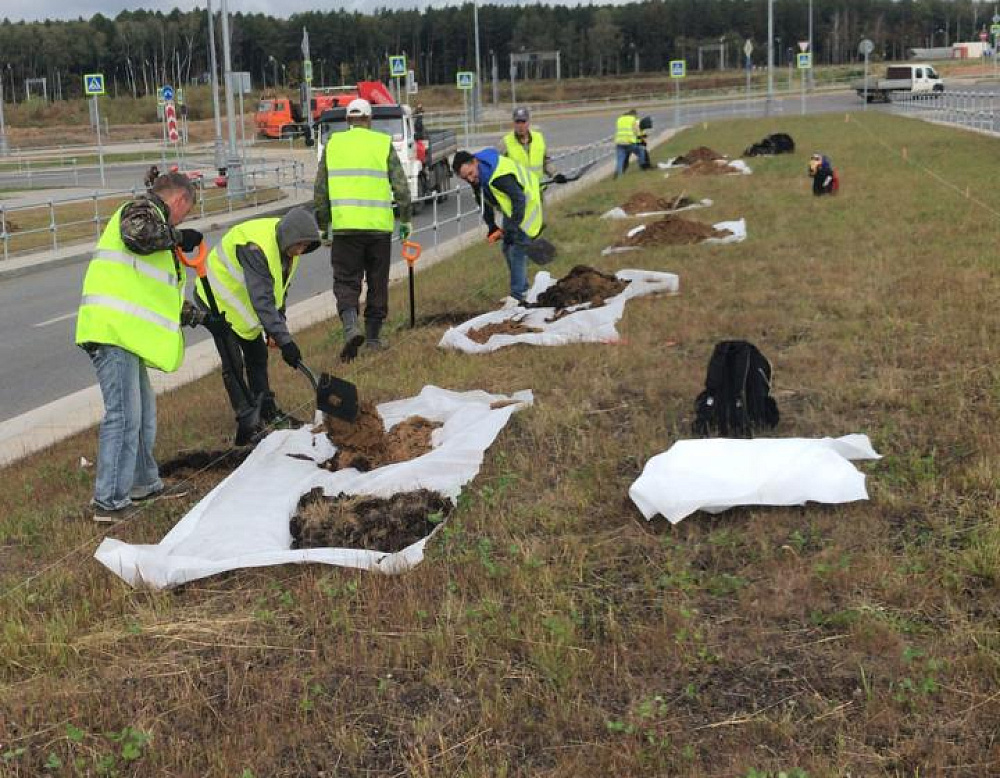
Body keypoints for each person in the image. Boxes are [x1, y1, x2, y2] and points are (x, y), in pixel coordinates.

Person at [75, 172, 202, 523]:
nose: (183, 221)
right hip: (111, 333)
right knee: (124, 416)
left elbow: (153, 292)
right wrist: (180, 236)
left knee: (143, 414)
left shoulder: (156, 225)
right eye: (185, 214)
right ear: (179, 201)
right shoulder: (142, 211)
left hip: (124, 337)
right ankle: (108, 502)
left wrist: (198, 317)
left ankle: (144, 483)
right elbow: (138, 236)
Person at [194, 208, 321, 445]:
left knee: (258, 355)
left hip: (242, 307)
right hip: (217, 298)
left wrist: (278, 325)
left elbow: (279, 290)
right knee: (233, 361)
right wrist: (286, 341)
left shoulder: (288, 250)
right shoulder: (255, 248)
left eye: (305, 247)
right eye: (299, 246)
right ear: (290, 238)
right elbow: (262, 299)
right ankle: (247, 419)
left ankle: (267, 410)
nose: (301, 251)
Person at [314, 97, 412, 362]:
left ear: (347, 121)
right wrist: (405, 220)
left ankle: (350, 328)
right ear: (369, 120)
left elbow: (320, 191)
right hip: (378, 229)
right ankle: (373, 338)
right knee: (377, 281)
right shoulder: (382, 143)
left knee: (346, 281)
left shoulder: (333, 146)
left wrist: (324, 226)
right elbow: (401, 187)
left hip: (345, 228)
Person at [452, 148, 544, 306]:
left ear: (475, 162)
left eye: (471, 173)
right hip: (511, 209)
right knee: (507, 247)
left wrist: (513, 228)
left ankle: (518, 295)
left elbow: (519, 199)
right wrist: (491, 225)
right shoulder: (479, 175)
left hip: (527, 206)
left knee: (517, 250)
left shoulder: (499, 177)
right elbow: (482, 201)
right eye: (465, 178)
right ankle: (522, 289)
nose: (470, 179)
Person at [500, 107, 555, 181]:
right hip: (518, 190)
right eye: (517, 122)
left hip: (538, 188)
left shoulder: (538, 137)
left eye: (523, 122)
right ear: (513, 123)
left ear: (528, 122)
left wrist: (554, 174)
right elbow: (500, 168)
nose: (520, 126)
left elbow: (546, 161)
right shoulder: (505, 142)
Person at [614, 109, 649, 178]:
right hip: (630, 142)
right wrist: (644, 136)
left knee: (620, 159)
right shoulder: (634, 120)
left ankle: (619, 175)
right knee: (641, 151)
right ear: (634, 114)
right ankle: (643, 166)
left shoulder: (619, 119)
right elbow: (637, 132)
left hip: (619, 142)